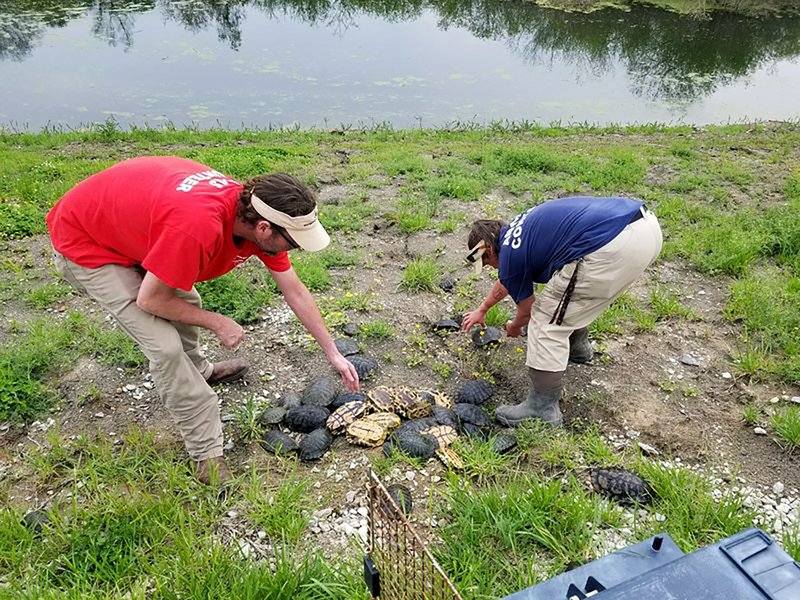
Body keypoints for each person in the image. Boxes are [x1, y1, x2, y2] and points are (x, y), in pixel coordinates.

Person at [46, 156, 360, 485]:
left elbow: (295, 291)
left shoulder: (261, 214)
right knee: (166, 348)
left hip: (133, 226)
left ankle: (201, 372)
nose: (294, 249)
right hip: (86, 242)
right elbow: (150, 300)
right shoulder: (199, 228)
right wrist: (216, 321)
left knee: (185, 300)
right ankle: (206, 455)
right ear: (264, 228)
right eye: (293, 243)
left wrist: (333, 353)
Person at [462, 196, 662, 428]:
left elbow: (526, 310)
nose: (490, 268)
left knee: (546, 321)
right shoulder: (517, 234)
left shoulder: (509, 254)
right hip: (643, 228)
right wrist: (482, 309)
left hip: (610, 244)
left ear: (487, 249)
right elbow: (508, 277)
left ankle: (541, 408)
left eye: (486, 263)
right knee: (572, 297)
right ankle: (577, 349)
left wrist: (515, 326)